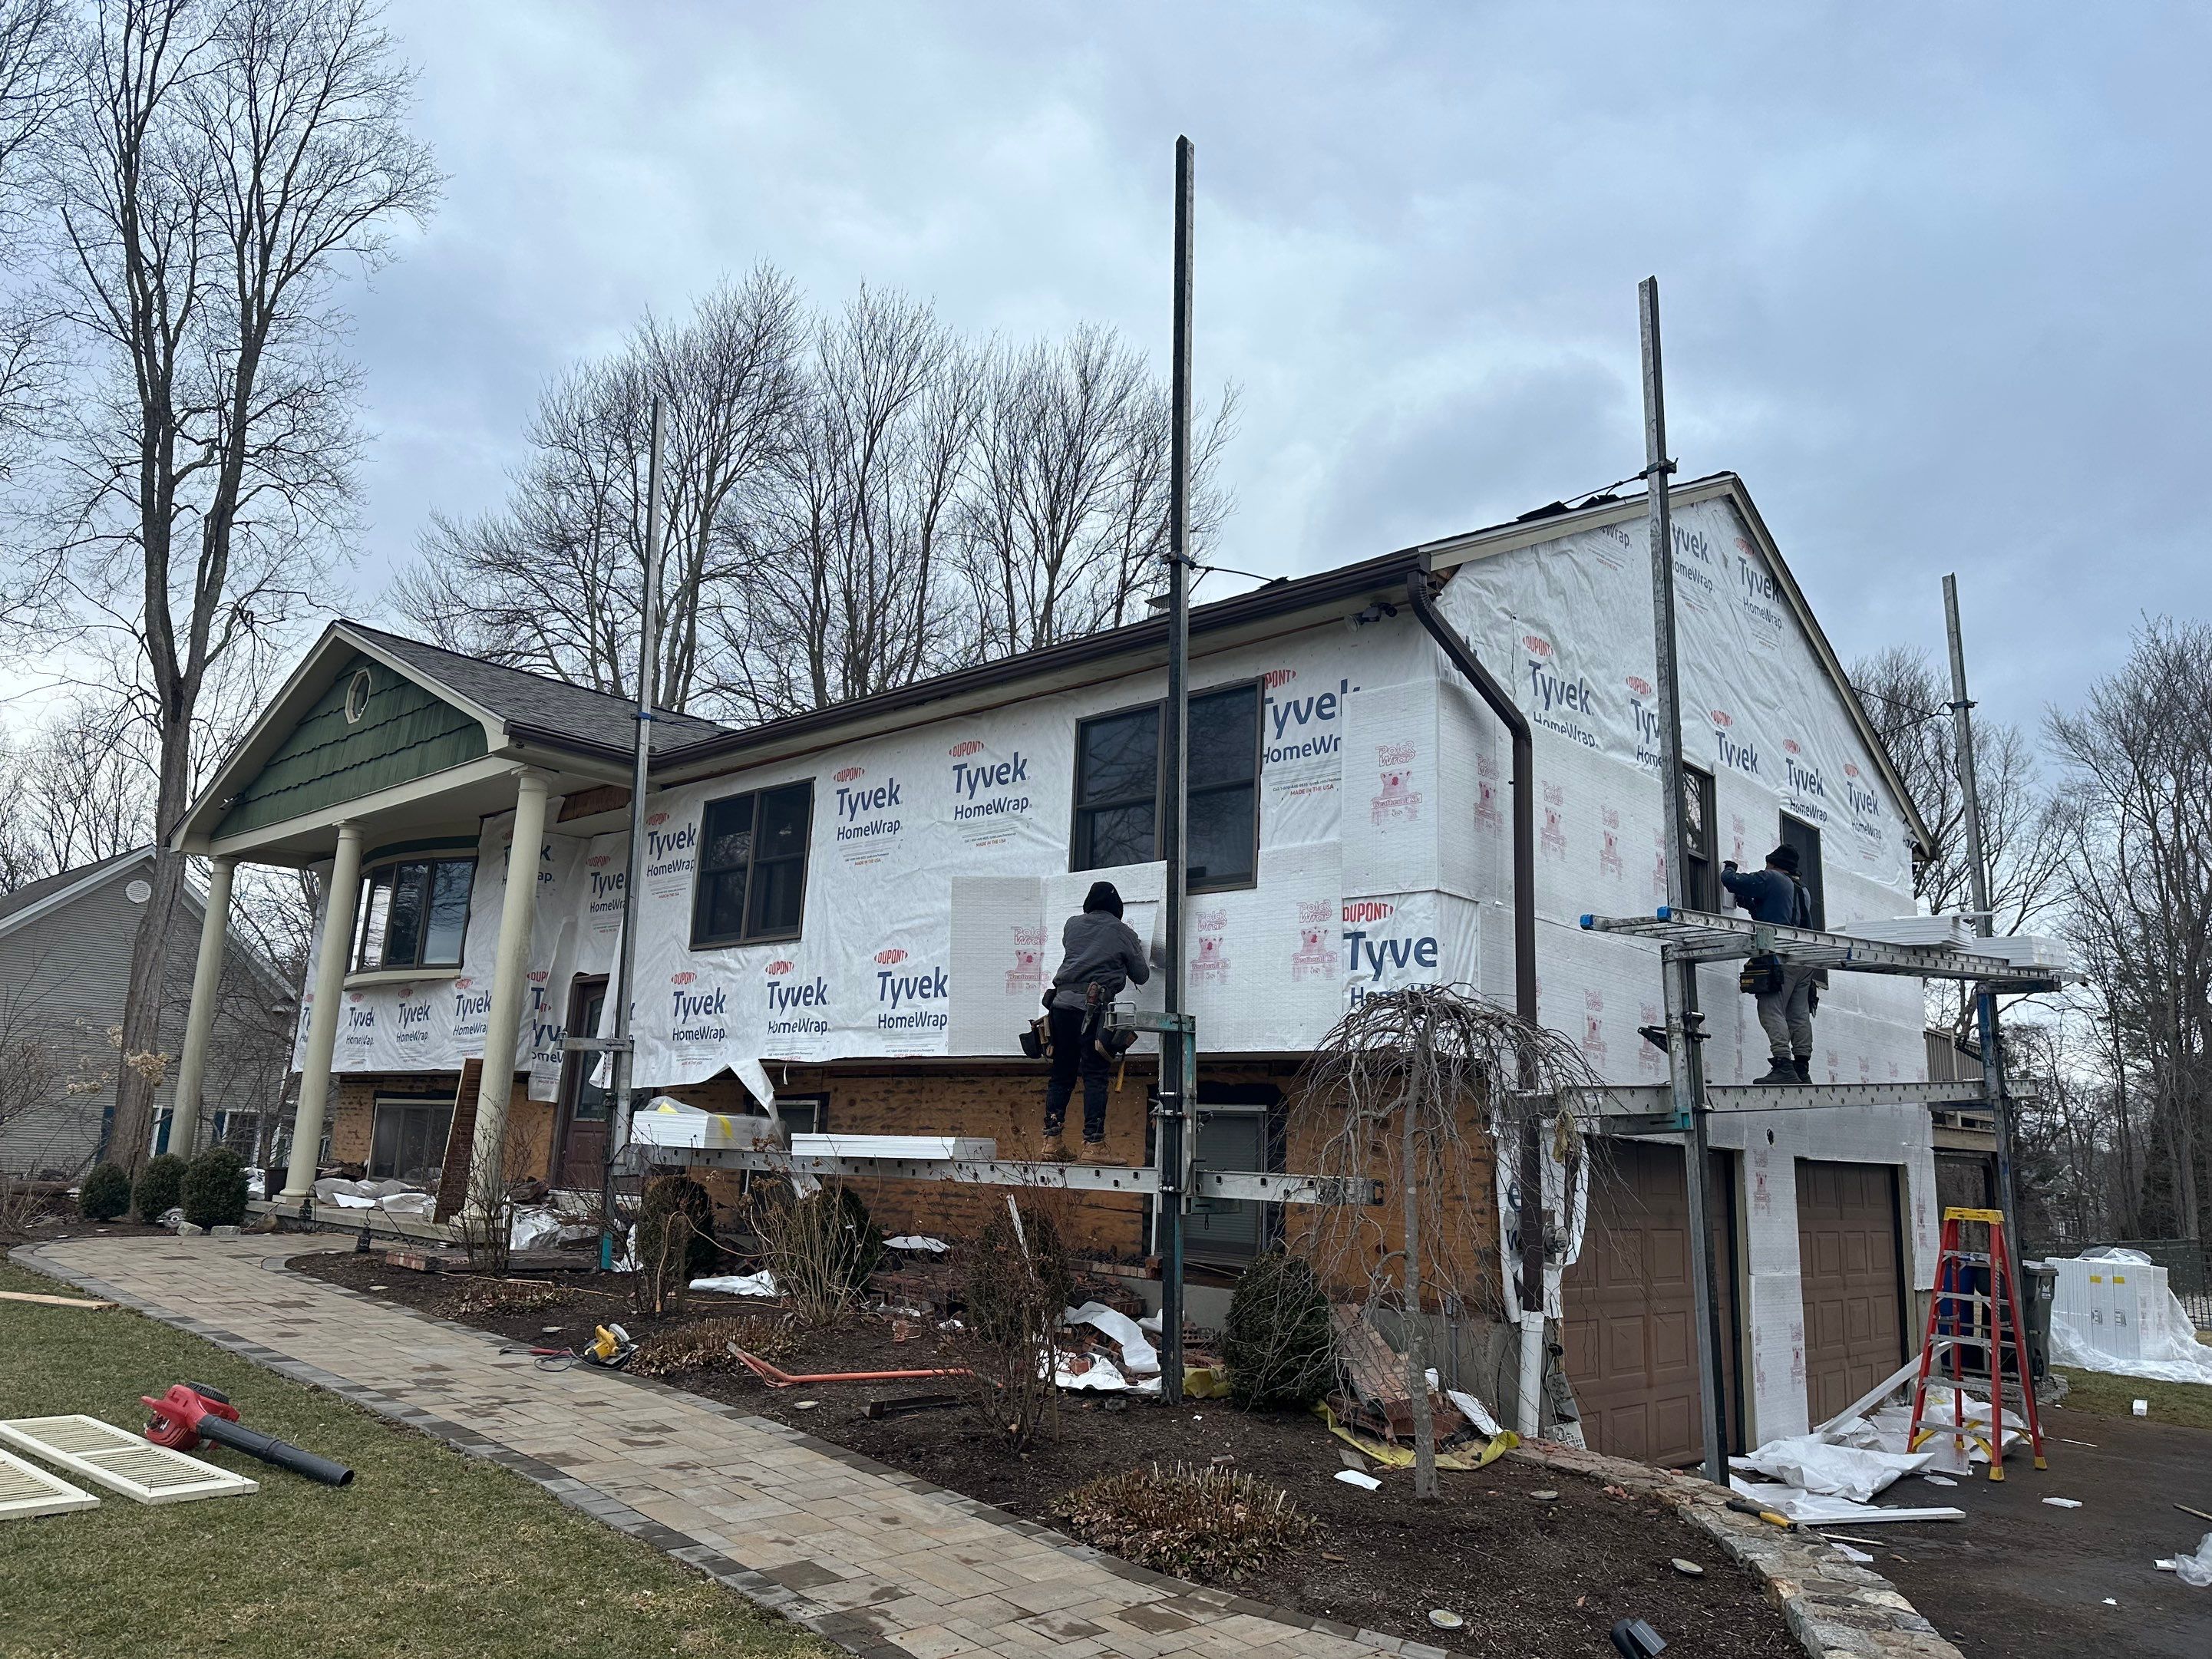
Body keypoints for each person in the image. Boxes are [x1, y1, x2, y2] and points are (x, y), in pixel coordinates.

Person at [1042, 880, 1152, 1161]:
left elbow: (1082, 952)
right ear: (1117, 908)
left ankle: (1051, 1142)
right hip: (1091, 1010)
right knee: (1094, 1075)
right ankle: (1094, 1146)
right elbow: (1141, 975)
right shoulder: (1122, 932)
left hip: (1061, 1006)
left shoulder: (1072, 925)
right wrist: (1133, 949)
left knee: (1062, 1073)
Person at [1722, 844, 1817, 1085]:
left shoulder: (1772, 878)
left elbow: (1733, 881)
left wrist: (1728, 868)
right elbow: (1778, 914)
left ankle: (1783, 1064)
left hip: (1779, 957)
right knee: (1798, 1015)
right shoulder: (1801, 890)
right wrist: (1751, 905)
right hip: (1803, 961)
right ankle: (1801, 1068)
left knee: (1771, 1011)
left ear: (1773, 864)